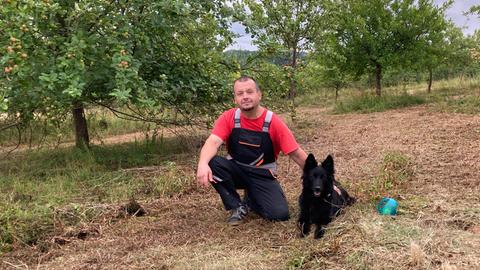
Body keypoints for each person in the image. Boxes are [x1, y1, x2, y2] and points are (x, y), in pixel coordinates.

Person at [196, 75, 307, 225]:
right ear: (235, 98)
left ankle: (252, 199)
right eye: (240, 94)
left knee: (279, 215)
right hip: (237, 172)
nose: (245, 97)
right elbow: (213, 142)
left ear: (259, 95)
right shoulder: (229, 117)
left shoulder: (273, 122)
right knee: (212, 162)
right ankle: (237, 206)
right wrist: (202, 164)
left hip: (262, 175)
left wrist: (327, 180)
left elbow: (297, 154)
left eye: (249, 92)